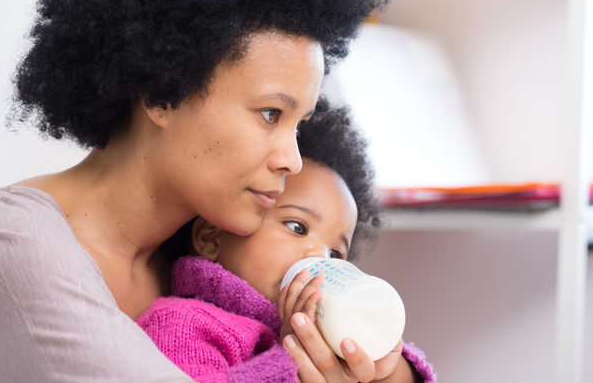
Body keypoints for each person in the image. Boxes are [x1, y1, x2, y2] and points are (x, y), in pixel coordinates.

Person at [0, 0, 390, 381]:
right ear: (162, 94)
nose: (293, 161)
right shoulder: (10, 241)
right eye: (270, 114)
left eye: (298, 126)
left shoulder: (207, 270)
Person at [139, 98, 436, 382]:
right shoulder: (180, 322)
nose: (319, 257)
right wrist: (291, 363)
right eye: (297, 227)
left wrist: (389, 372)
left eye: (335, 254)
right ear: (211, 238)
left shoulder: (333, 339)